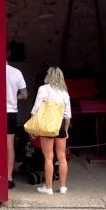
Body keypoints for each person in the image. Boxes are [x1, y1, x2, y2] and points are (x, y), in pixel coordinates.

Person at [29, 66, 71, 195]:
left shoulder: (43, 89)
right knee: (62, 157)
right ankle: (63, 187)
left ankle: (48, 187)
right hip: (60, 127)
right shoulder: (64, 92)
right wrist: (66, 130)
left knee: (48, 157)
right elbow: (68, 115)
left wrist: (33, 126)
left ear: (49, 76)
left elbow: (35, 109)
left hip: (47, 127)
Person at [5, 47, 28, 190]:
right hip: (10, 112)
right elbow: (24, 95)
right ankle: (8, 177)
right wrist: (15, 97)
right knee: (9, 145)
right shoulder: (16, 72)